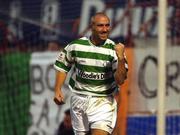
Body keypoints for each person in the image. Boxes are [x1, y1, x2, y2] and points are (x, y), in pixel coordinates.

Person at [53, 12, 128, 135]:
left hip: (103, 101)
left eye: (107, 25)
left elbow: (120, 80)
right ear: (92, 26)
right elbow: (63, 66)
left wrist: (120, 58)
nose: (105, 29)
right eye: (100, 26)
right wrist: (57, 90)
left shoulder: (114, 50)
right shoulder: (76, 46)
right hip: (79, 99)